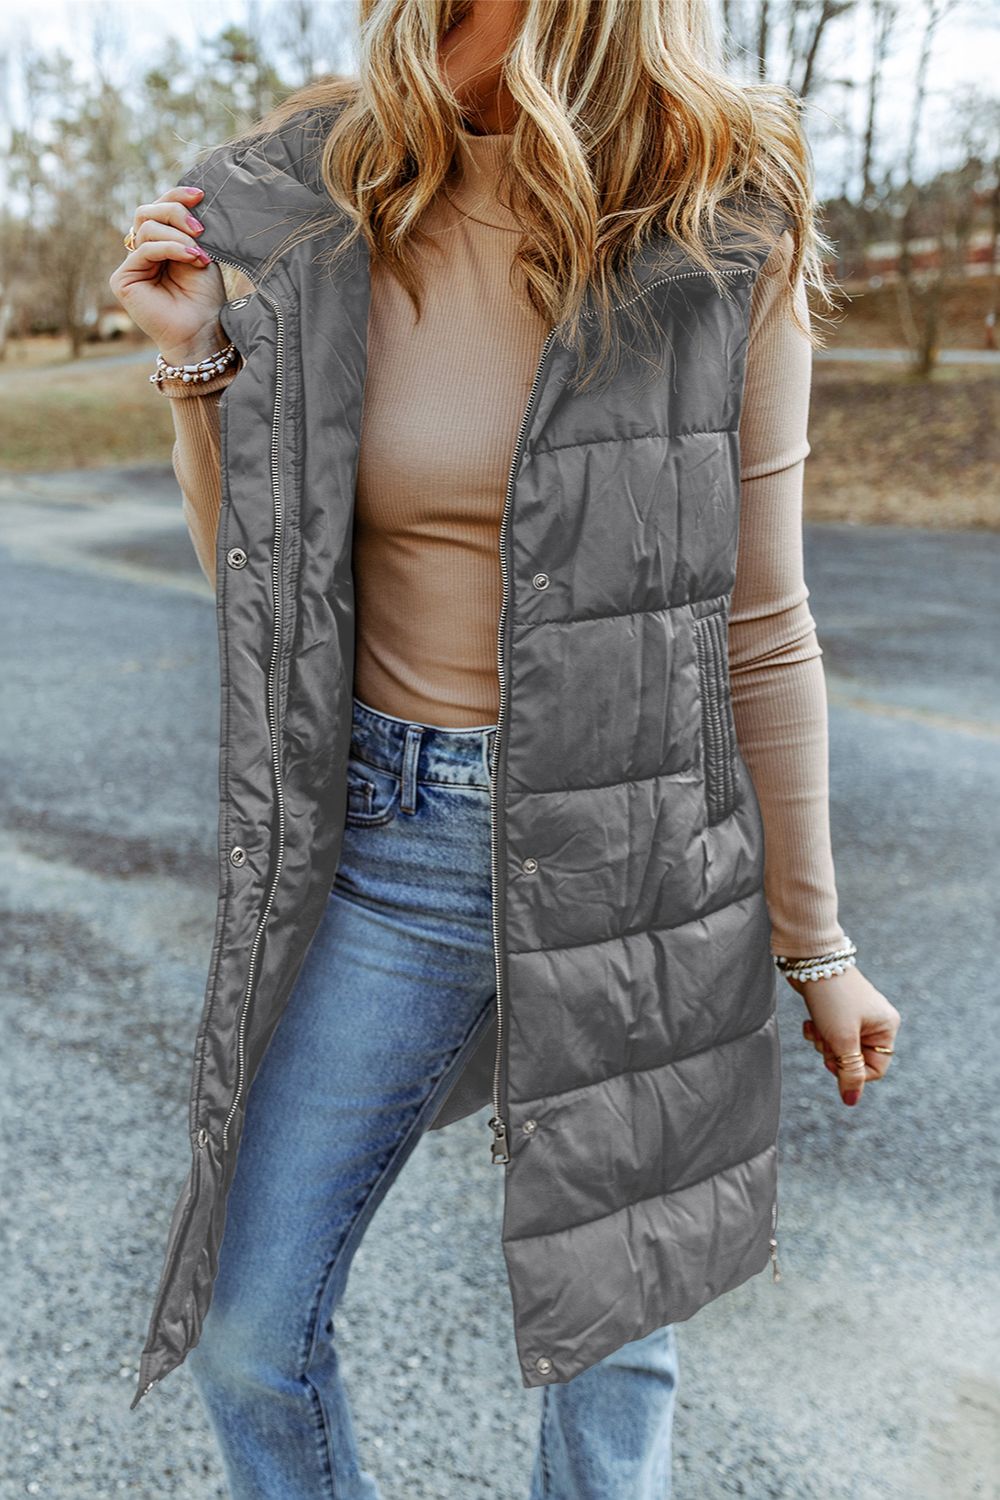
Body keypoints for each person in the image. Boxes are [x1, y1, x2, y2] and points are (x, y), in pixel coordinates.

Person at [110, 2, 901, 1495]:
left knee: (616, 1345)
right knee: (244, 1332)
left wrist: (819, 946)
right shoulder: (335, 197)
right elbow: (265, 598)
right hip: (391, 840)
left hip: (634, 861)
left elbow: (763, 621)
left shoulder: (724, 218)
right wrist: (200, 364)